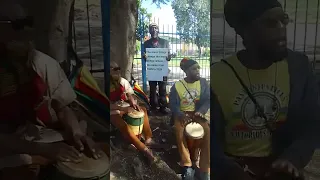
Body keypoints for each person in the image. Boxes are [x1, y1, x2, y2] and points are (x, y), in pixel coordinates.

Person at [211, 0, 320, 179]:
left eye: (283, 20)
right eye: (270, 23)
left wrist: (292, 159)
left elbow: (310, 125)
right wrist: (230, 170)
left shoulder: (299, 68)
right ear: (245, 31)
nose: (281, 29)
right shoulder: (218, 76)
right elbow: (211, 142)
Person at [0, 2, 104, 180]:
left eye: (27, 24)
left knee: (86, 140)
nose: (25, 32)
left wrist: (76, 132)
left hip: (35, 132)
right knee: (25, 164)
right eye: (16, 26)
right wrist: (41, 151)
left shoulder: (41, 62)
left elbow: (62, 106)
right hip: (8, 140)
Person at [169, 58, 210, 180]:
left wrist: (201, 111)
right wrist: (181, 115)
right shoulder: (177, 86)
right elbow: (173, 104)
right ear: (186, 71)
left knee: (207, 131)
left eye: (198, 68)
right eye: (194, 69)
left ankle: (204, 168)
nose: (198, 71)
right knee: (179, 131)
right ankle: (187, 164)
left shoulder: (203, 82)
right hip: (182, 114)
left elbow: (208, 99)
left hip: (197, 114)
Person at [109, 61, 157, 163]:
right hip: (112, 109)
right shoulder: (104, 84)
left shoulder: (122, 81)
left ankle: (148, 138)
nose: (118, 72)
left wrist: (132, 100)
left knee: (142, 110)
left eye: (118, 70)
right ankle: (143, 149)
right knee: (123, 126)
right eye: (114, 70)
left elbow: (130, 93)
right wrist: (123, 109)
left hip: (124, 106)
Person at [143, 23, 171, 114]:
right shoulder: (146, 43)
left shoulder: (165, 42)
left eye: (155, 28)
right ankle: (153, 107)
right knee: (152, 89)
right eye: (152, 28)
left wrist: (168, 56)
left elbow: (168, 57)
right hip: (153, 70)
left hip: (162, 70)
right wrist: (145, 56)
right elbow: (145, 57)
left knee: (162, 89)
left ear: (158, 30)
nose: (154, 30)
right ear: (150, 31)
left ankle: (163, 107)